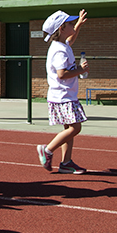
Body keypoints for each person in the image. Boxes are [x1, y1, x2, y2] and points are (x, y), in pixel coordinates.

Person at [37, 9, 89, 174]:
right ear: (61, 28)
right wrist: (80, 70)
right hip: (63, 95)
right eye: (70, 24)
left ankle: (66, 162)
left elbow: (70, 40)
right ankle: (48, 149)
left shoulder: (60, 45)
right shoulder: (59, 50)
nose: (73, 25)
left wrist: (79, 24)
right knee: (75, 128)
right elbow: (62, 74)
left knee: (69, 129)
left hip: (64, 95)